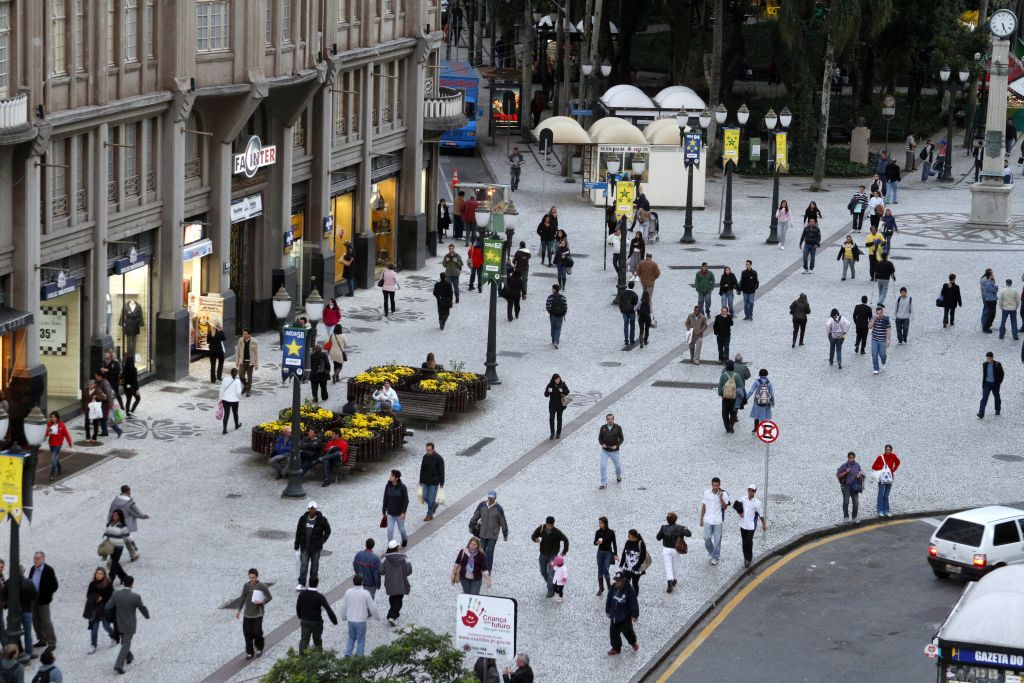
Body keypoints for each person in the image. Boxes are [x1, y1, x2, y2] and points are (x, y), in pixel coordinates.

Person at [106, 575, 149, 674]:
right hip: (129, 625)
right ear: (132, 584)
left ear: (124, 583)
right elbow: (142, 607)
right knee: (126, 643)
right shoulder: (135, 597)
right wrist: (146, 615)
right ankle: (118, 665)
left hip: (118, 623)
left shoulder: (115, 594)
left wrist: (110, 618)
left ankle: (129, 656)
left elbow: (107, 607)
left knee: (124, 642)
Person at [235, 568, 272, 660]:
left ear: (257, 576)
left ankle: (259, 648)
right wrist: (238, 610)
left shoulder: (262, 586)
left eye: (253, 577)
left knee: (257, 633)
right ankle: (250, 652)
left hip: (258, 614)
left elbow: (269, 597)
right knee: (247, 634)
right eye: (250, 577)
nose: (252, 579)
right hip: (247, 614)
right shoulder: (246, 586)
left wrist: (262, 602)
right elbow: (242, 598)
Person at [294, 502, 331, 590]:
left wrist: (322, 541)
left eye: (314, 508)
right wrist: (296, 544)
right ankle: (301, 583)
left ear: (316, 509)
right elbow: (298, 532)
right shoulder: (302, 519)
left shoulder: (322, 520)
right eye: (311, 508)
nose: (312, 510)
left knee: (314, 566)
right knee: (304, 565)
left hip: (316, 548)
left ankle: (312, 584)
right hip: (305, 547)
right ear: (308, 509)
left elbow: (328, 530)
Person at [469, 490, 508, 571]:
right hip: (483, 533)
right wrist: (471, 525)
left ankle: (488, 570)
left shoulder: (498, 509)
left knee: (490, 552)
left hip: (493, 535)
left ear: (495, 498)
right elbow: (476, 515)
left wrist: (505, 533)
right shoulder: (482, 505)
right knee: (481, 551)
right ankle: (481, 566)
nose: (490, 500)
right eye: (489, 498)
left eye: (492, 498)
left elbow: (503, 521)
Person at [530, 516, 569, 598]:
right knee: (543, 571)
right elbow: (533, 536)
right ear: (546, 523)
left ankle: (551, 590)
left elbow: (566, 540)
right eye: (548, 525)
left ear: (553, 524)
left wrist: (564, 552)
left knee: (551, 573)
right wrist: (535, 539)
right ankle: (551, 583)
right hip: (543, 554)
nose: (549, 527)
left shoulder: (557, 532)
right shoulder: (541, 528)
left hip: (553, 556)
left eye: (551, 526)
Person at [296, 577, 337, 653]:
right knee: (317, 640)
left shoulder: (302, 594)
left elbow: (298, 606)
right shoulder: (319, 597)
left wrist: (300, 616)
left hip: (305, 621)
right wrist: (334, 621)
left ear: (309, 582)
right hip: (316, 622)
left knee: (304, 640)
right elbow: (328, 609)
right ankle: (318, 658)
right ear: (317, 584)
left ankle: (301, 658)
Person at [341, 575, 377, 658]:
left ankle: (348, 653)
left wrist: (343, 616)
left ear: (353, 582)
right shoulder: (365, 593)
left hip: (351, 620)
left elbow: (344, 606)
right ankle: (359, 656)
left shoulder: (348, 592)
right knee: (361, 640)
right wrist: (376, 616)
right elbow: (372, 606)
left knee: (351, 638)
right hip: (361, 621)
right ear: (362, 582)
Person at [28, 552, 58, 652]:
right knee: (35, 620)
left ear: (43, 559)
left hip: (43, 600)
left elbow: (54, 585)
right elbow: (30, 581)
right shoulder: (33, 569)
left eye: (38, 558)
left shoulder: (48, 570)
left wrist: (47, 595)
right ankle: (41, 639)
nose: (35, 560)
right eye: (35, 558)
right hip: (33, 600)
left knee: (46, 621)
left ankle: (52, 641)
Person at [605, 572, 639, 656]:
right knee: (613, 633)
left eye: (619, 581)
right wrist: (607, 610)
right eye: (616, 581)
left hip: (625, 616)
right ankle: (616, 648)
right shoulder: (613, 587)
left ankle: (633, 643)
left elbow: (634, 602)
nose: (617, 582)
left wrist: (635, 615)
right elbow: (609, 598)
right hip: (614, 615)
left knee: (628, 632)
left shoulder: (629, 589)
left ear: (623, 580)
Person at [655, 513, 691, 593]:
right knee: (675, 565)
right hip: (675, 549)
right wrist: (685, 528)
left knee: (668, 566)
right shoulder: (680, 528)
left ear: (667, 520)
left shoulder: (663, 528)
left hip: (666, 549)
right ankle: (674, 579)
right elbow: (689, 534)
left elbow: (658, 538)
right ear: (676, 519)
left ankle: (669, 582)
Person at [84, 566, 116, 654]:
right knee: (94, 629)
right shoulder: (92, 584)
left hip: (104, 609)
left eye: (100, 574)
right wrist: (95, 598)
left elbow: (111, 595)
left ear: (104, 575)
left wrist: (102, 598)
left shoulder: (108, 584)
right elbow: (88, 595)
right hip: (94, 610)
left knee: (106, 626)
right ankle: (93, 645)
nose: (98, 575)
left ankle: (114, 637)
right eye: (97, 573)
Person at [381, 540, 412, 626]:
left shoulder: (386, 560)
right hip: (400, 583)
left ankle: (394, 615)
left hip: (390, 583)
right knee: (398, 601)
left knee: (392, 598)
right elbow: (408, 571)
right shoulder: (403, 559)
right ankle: (392, 616)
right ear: (397, 548)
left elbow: (381, 571)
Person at [699, 478, 730, 565]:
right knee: (706, 538)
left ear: (719, 485)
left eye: (717, 485)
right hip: (708, 520)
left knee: (717, 541)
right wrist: (701, 519)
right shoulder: (706, 493)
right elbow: (704, 506)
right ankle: (711, 552)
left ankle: (715, 557)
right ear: (711, 485)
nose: (716, 487)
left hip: (718, 521)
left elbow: (725, 507)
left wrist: (720, 498)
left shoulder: (724, 494)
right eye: (714, 485)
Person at [736, 485, 767, 568]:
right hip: (743, 524)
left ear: (755, 492)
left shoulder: (757, 503)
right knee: (744, 542)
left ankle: (749, 558)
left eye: (752, 490)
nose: (750, 492)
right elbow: (736, 505)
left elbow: (761, 515)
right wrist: (740, 513)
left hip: (751, 526)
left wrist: (764, 524)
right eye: (749, 490)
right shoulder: (743, 499)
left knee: (748, 541)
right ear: (747, 490)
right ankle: (746, 558)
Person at [871, 445, 901, 518]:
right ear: (885, 450)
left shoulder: (893, 456)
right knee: (881, 494)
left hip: (890, 478)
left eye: (889, 449)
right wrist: (882, 467)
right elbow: (873, 466)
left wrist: (894, 469)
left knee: (886, 495)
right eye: (886, 449)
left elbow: (898, 462)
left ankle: (886, 510)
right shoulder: (880, 457)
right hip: (882, 478)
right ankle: (880, 511)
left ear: (891, 450)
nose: (888, 451)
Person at [104, 510, 132, 585]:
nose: (114, 517)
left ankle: (109, 582)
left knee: (114, 564)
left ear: (120, 516)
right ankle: (124, 577)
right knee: (115, 563)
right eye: (113, 515)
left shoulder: (122, 525)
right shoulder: (109, 524)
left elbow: (127, 535)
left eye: (116, 515)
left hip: (119, 547)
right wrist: (105, 540)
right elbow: (106, 533)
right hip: (110, 547)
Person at [418, 442, 445, 521]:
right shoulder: (425, 457)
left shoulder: (439, 458)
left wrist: (441, 483)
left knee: (431, 499)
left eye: (429, 450)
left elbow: (441, 471)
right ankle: (433, 506)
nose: (428, 452)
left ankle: (429, 515)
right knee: (424, 496)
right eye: (427, 450)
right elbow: (422, 469)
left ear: (433, 449)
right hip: (426, 481)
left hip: (434, 482)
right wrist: (421, 480)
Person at [836, 452, 866, 523]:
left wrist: (860, 476)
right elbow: (838, 475)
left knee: (856, 502)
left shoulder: (857, 465)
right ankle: (846, 517)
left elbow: (861, 474)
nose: (851, 459)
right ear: (848, 458)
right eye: (850, 458)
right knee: (846, 501)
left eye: (853, 458)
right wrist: (846, 472)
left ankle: (854, 517)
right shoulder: (844, 466)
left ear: (855, 458)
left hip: (855, 485)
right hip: (846, 486)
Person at [382, 470, 409, 548]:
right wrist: (384, 510)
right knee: (389, 530)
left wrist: (403, 512)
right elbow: (385, 498)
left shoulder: (403, 487)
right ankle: (390, 546)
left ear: (396, 478)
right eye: (391, 475)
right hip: (390, 513)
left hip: (399, 514)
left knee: (402, 530)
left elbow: (406, 501)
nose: (390, 477)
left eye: (392, 475)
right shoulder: (388, 486)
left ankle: (404, 539)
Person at [597, 413, 624, 489]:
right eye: (608, 419)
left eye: (611, 419)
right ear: (606, 420)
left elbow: (622, 439)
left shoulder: (618, 428)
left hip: (615, 451)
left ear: (613, 419)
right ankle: (604, 483)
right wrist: (602, 444)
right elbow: (600, 438)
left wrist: (617, 445)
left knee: (617, 466)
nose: (610, 420)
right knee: (603, 466)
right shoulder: (603, 428)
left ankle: (618, 476)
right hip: (605, 451)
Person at [616, 530, 647, 596]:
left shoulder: (641, 544)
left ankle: (635, 598)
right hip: (627, 568)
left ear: (634, 536)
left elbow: (642, 556)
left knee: (635, 583)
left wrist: (637, 566)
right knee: (625, 583)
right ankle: (626, 597)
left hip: (636, 569)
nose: (628, 537)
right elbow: (624, 554)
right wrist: (621, 564)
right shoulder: (627, 542)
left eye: (629, 535)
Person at [594, 517, 617, 597]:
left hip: (608, 553)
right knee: (600, 570)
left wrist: (615, 554)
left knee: (605, 569)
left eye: (601, 523)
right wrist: (597, 542)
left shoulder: (611, 532)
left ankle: (609, 586)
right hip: (600, 553)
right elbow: (594, 543)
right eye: (599, 523)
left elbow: (614, 544)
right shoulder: (598, 532)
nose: (600, 524)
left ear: (605, 523)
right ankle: (601, 588)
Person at [45, 412, 71, 482]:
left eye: (54, 417)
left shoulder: (62, 425)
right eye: (51, 417)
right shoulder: (49, 424)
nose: (53, 418)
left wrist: (69, 442)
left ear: (57, 417)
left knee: (53, 459)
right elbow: (46, 434)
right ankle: (59, 466)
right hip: (51, 444)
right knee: (56, 459)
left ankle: (52, 475)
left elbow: (66, 434)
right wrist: (48, 433)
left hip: (58, 445)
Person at [717, 360, 742, 433]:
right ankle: (731, 424)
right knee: (733, 411)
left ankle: (727, 428)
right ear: (733, 367)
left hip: (725, 398)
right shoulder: (737, 376)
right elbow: (740, 387)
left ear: (726, 367)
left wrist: (721, 394)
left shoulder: (723, 376)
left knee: (725, 413)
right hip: (734, 398)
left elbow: (720, 387)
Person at [748, 369, 774, 433]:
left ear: (759, 374)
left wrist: (746, 398)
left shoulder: (757, 382)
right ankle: (764, 430)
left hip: (757, 401)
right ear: (766, 374)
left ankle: (756, 428)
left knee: (757, 416)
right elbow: (772, 393)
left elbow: (751, 391)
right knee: (765, 416)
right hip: (766, 402)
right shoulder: (769, 382)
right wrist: (772, 401)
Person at [979, 351, 1004, 418]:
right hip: (987, 384)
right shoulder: (984, 364)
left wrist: (999, 382)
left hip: (995, 384)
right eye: (987, 358)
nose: (988, 360)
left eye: (989, 358)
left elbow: (1002, 374)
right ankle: (981, 413)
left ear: (992, 358)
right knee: (984, 398)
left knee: (997, 397)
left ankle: (997, 409)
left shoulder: (997, 364)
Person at [235, 329, 258, 397]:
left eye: (245, 334)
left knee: (249, 376)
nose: (244, 335)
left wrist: (256, 364)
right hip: (242, 361)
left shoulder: (254, 341)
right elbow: (238, 351)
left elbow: (256, 353)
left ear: (249, 334)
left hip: (250, 362)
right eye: (243, 334)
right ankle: (245, 385)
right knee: (241, 375)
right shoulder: (241, 340)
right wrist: (237, 361)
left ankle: (248, 390)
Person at [219, 367, 243, 434]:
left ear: (230, 373)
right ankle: (236, 425)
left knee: (226, 414)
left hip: (225, 400)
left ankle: (224, 429)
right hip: (234, 400)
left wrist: (220, 398)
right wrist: (239, 397)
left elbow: (222, 389)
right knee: (235, 413)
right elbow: (238, 392)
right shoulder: (238, 381)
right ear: (236, 374)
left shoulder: (225, 379)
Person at [869, 305, 891, 374]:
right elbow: (869, 327)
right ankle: (876, 368)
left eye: (880, 313)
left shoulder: (886, 319)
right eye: (877, 313)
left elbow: (888, 331)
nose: (879, 315)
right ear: (876, 313)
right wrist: (874, 320)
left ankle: (883, 362)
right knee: (874, 354)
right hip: (874, 340)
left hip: (882, 340)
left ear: (882, 312)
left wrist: (888, 341)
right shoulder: (873, 318)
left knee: (882, 355)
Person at [545, 284, 567, 349]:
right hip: (560, 316)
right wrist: (563, 313)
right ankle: (556, 342)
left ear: (554, 289)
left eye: (552, 288)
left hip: (552, 315)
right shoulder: (563, 297)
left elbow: (547, 306)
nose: (552, 289)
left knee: (553, 327)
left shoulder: (550, 297)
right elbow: (565, 306)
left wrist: (550, 312)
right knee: (558, 328)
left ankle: (553, 340)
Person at [618, 281, 639, 347]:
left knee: (625, 325)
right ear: (633, 286)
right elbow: (636, 305)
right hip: (631, 312)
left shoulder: (623, 293)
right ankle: (632, 340)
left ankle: (626, 340)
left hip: (624, 311)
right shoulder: (634, 294)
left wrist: (621, 309)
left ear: (628, 285)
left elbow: (620, 302)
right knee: (632, 325)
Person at [980, 269, 999, 333]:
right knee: (988, 311)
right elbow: (994, 289)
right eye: (992, 273)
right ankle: (985, 324)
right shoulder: (985, 281)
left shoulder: (988, 280)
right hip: (988, 298)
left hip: (988, 297)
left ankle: (986, 324)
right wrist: (995, 286)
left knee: (989, 311)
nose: (993, 274)